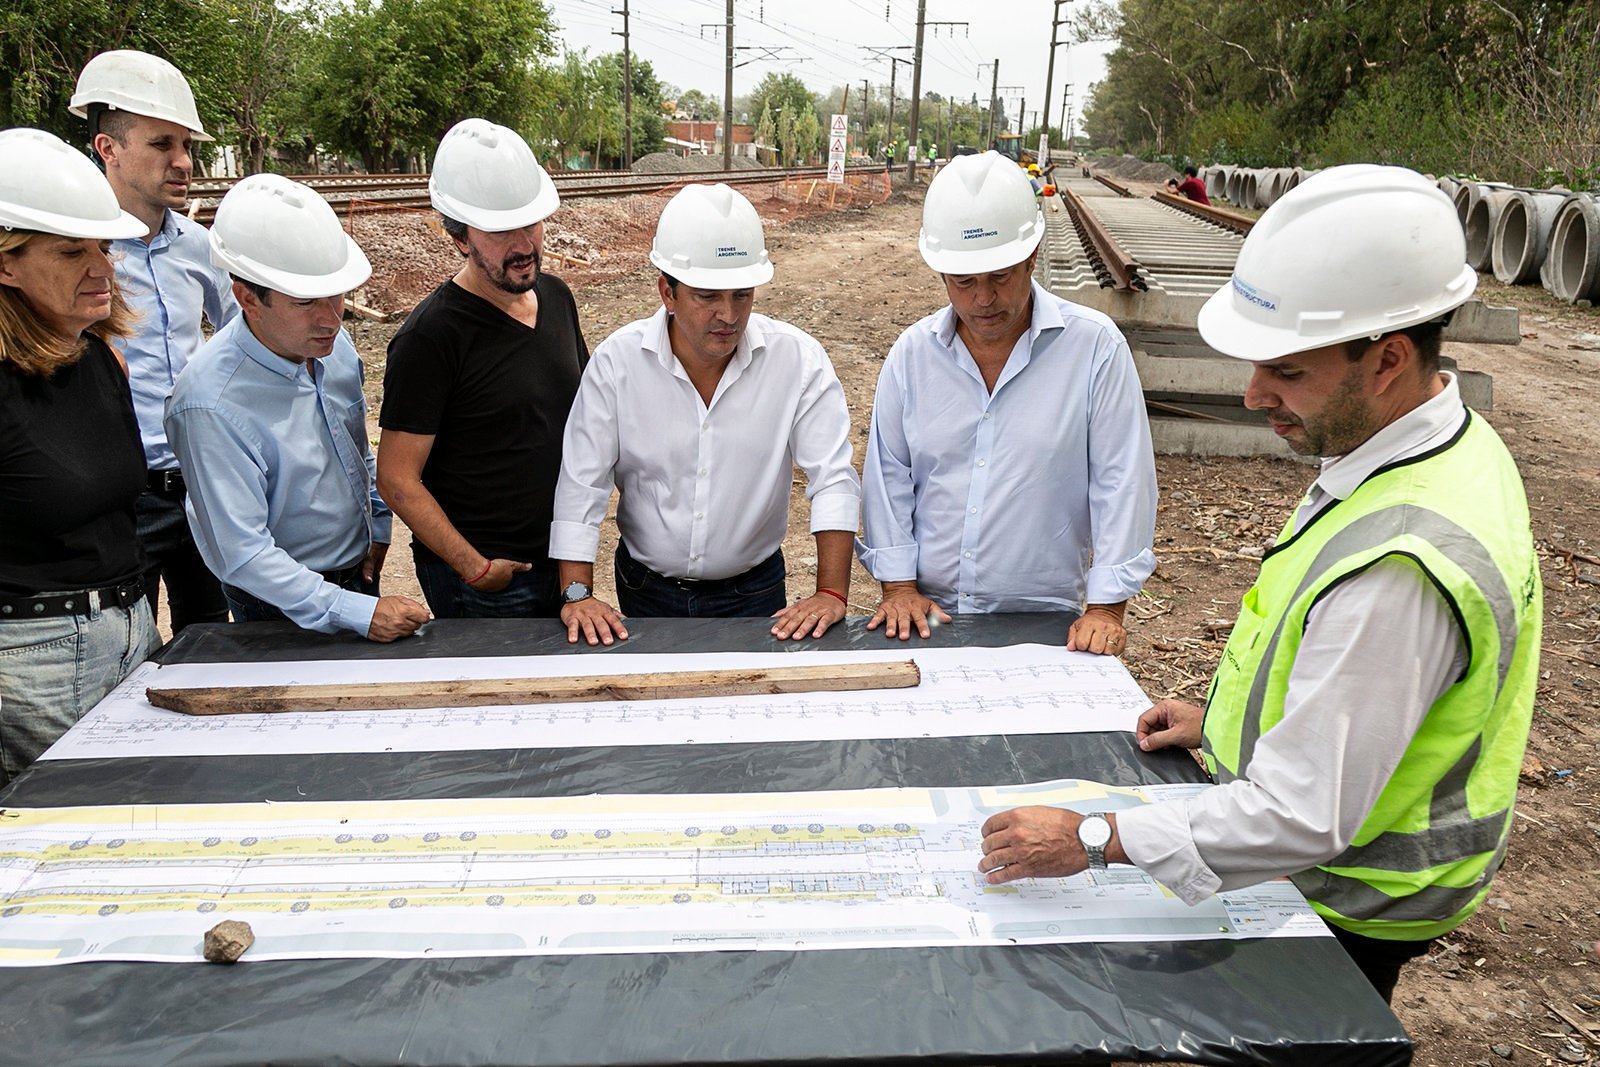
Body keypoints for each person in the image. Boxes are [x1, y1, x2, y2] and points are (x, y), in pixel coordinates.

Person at [977, 165, 1542, 1004]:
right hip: (1344, 857)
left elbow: (1302, 815)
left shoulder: (1402, 564)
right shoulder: (1436, 442)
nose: (1253, 394)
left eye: (1285, 370)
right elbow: (1360, 694)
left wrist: (1093, 836)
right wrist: (1227, 722)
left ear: (1387, 359)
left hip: (1351, 902)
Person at [857, 150, 1157, 652]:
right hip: (926, 612)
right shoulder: (912, 355)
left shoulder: (1094, 349)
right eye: (964, 281)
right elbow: (889, 475)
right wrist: (899, 586)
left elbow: (1121, 479)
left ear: (1032, 256)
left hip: (1044, 622)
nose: (983, 299)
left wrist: (1105, 608)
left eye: (1000, 276)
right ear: (941, 274)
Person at [550, 183, 860, 646]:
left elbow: (833, 478)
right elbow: (581, 483)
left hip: (755, 592)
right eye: (707, 296)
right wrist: (577, 594)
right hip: (646, 589)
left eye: (742, 294)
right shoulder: (618, 365)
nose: (728, 315)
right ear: (667, 293)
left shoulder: (798, 362)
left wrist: (831, 592)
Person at [165, 174, 429, 642]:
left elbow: (353, 446)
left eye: (337, 294)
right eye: (306, 301)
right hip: (276, 605)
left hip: (357, 575)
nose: (331, 317)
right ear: (247, 296)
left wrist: (378, 527)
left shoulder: (334, 347)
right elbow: (242, 554)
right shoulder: (209, 404)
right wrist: (352, 611)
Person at [378, 119, 588, 619]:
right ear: (459, 237)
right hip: (488, 582)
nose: (523, 244)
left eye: (531, 222)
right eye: (498, 231)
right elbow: (396, 479)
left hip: (560, 562)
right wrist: (474, 567)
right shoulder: (430, 338)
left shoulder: (557, 298)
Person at [0, 128, 159, 784]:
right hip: (31, 664)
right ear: (5, 262)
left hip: (131, 634)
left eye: (104, 245)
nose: (102, 266)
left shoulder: (99, 356)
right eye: (71, 252)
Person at [71, 50, 237, 633]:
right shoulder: (77, 254)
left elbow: (244, 336)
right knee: (124, 648)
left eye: (186, 146)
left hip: (199, 486)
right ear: (108, 149)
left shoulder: (201, 247)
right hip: (119, 497)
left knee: (213, 638)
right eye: (162, 144)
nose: (182, 161)